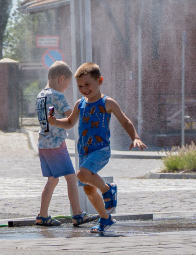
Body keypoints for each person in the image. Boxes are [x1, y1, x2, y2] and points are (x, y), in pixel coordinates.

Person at [48, 62, 147, 233]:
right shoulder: (80, 103)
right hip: (84, 152)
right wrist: (56, 122)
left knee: (81, 174)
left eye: (88, 84)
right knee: (87, 187)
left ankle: (108, 189)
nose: (84, 89)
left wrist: (135, 137)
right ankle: (105, 218)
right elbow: (71, 122)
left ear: (99, 81)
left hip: (100, 150)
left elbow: (125, 121)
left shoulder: (107, 102)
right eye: (80, 86)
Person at [35, 60, 94, 227]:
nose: (67, 88)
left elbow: (50, 118)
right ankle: (77, 214)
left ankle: (42, 215)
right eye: (67, 84)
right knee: (71, 178)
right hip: (56, 145)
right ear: (61, 79)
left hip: (43, 145)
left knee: (52, 180)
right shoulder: (57, 96)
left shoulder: (41, 95)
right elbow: (71, 117)